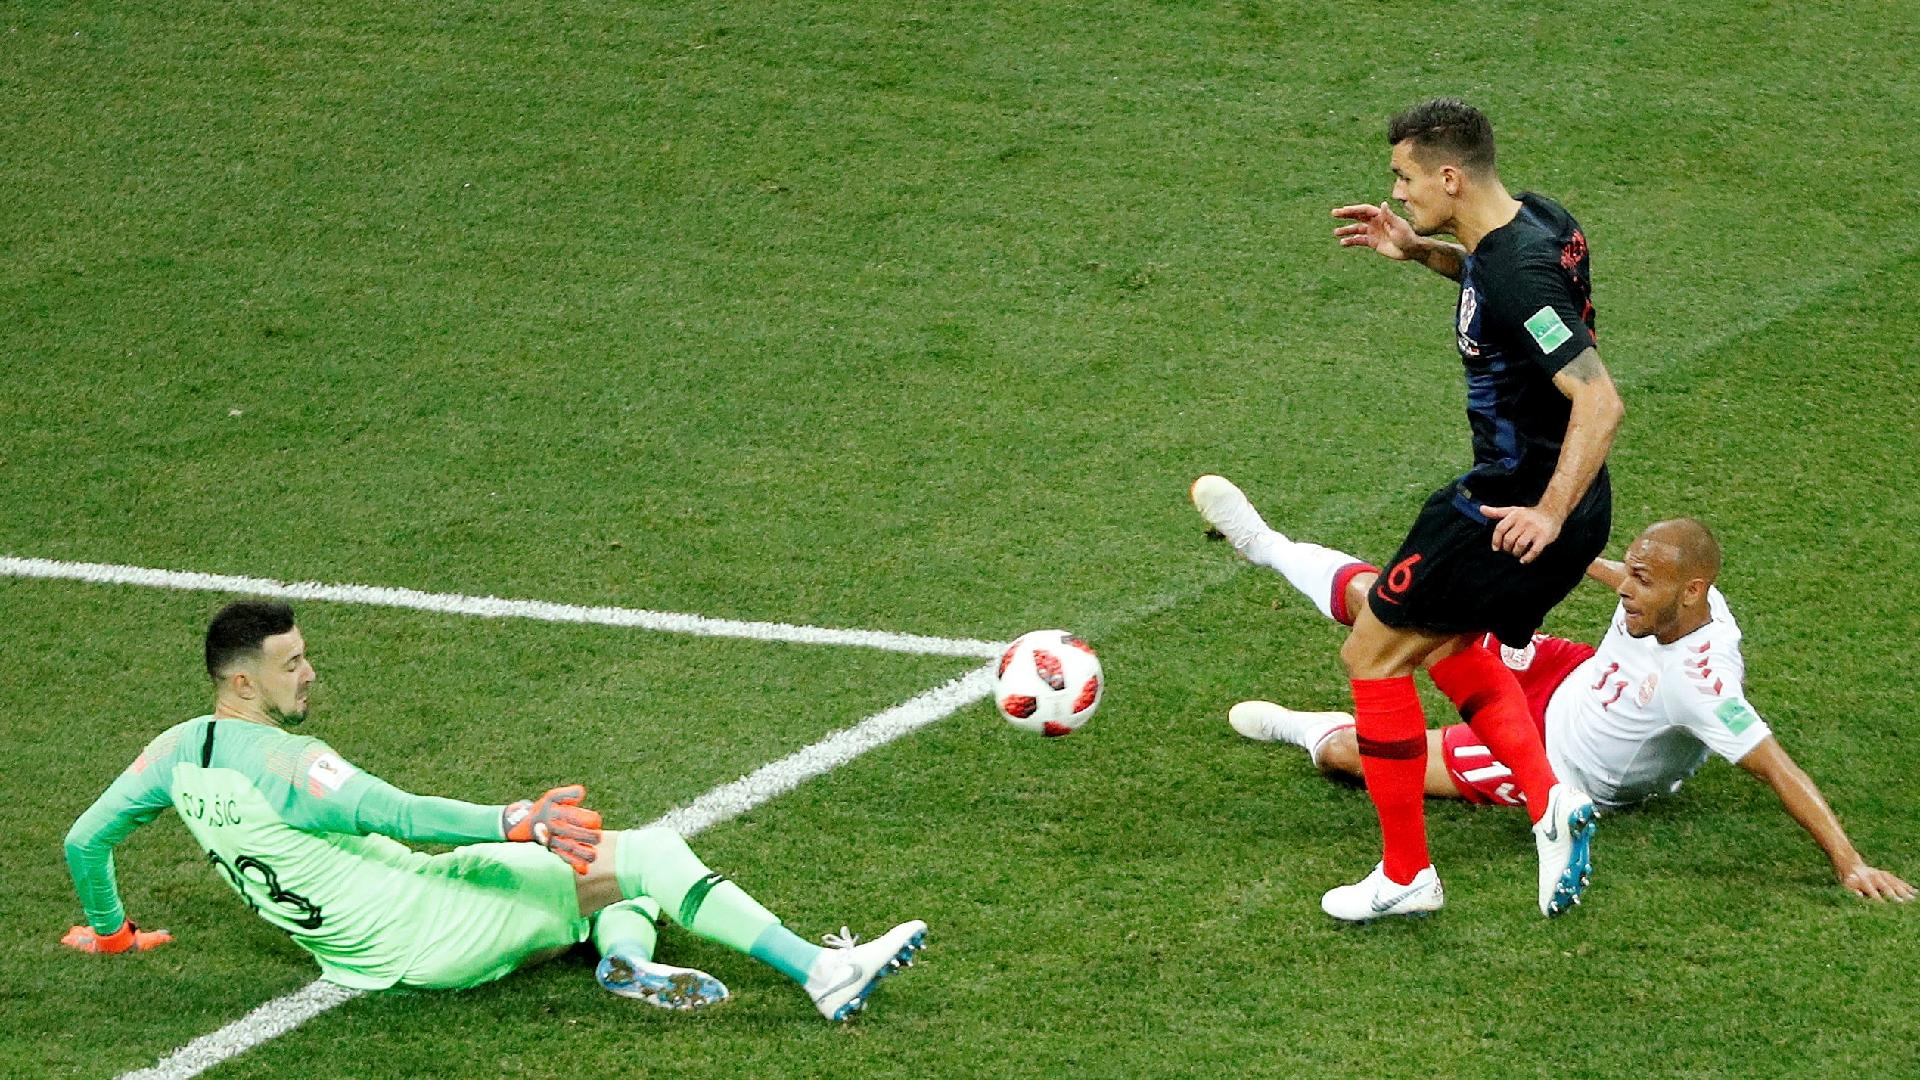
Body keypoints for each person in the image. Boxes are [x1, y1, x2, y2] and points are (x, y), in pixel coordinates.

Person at [61, 599, 928, 1021]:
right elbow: (400, 814)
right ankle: (824, 974)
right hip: (434, 923)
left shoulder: (173, 753)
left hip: (365, 948)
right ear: (243, 682)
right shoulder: (291, 764)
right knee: (652, 855)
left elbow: (84, 842)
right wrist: (516, 819)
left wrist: (111, 933)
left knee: (595, 874)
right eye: (291, 664)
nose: (310, 673)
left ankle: (623, 958)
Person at [1203, 98, 1625, 921]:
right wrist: (1419, 251)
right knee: (1446, 643)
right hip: (1558, 502)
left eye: (1404, 178)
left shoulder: (1517, 269)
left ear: (1449, 176)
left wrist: (1544, 513)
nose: (1396, 192)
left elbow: (1599, 401)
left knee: (1372, 654)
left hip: (1510, 508)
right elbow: (1503, 293)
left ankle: (1407, 875)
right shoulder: (1539, 222)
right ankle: (1550, 802)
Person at [1196, 486, 1913, 903]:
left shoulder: (1702, 683)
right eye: (1630, 572)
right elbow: (1616, 576)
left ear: (1694, 592)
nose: (1626, 590)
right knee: (1393, 603)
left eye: (1642, 582)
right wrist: (1559, 549)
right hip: (1566, 674)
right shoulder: (1670, 598)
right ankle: (1265, 544)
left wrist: (1849, 863)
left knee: (1351, 755)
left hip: (1554, 758)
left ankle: (1306, 729)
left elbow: (1777, 767)